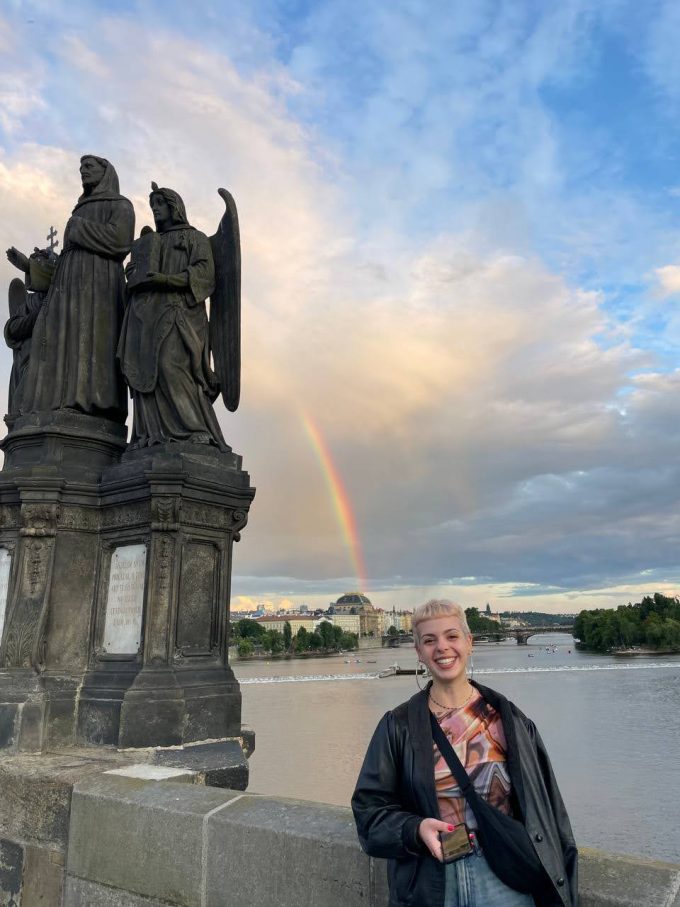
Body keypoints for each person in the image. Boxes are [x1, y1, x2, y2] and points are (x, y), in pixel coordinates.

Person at [352, 599, 578, 907]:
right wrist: (415, 829)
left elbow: (551, 813)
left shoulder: (509, 720)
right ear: (418, 652)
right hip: (432, 884)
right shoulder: (398, 726)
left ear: (469, 642)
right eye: (429, 640)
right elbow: (368, 815)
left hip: (505, 878)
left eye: (452, 636)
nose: (442, 647)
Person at [19, 155, 134, 422]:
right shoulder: (79, 209)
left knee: (94, 340)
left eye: (89, 166)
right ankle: (64, 399)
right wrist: (30, 267)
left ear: (105, 172)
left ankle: (93, 403)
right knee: (65, 338)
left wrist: (78, 229)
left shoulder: (120, 205)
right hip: (69, 286)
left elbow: (121, 240)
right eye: (81, 167)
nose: (82, 171)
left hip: (100, 286)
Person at [117, 183, 227, 449]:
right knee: (145, 370)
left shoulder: (195, 238)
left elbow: (205, 276)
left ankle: (194, 429)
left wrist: (167, 279)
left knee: (170, 364)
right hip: (145, 315)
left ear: (174, 207)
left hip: (179, 313)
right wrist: (133, 274)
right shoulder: (150, 242)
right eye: (152, 205)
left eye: (160, 204)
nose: (155, 209)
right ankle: (151, 435)